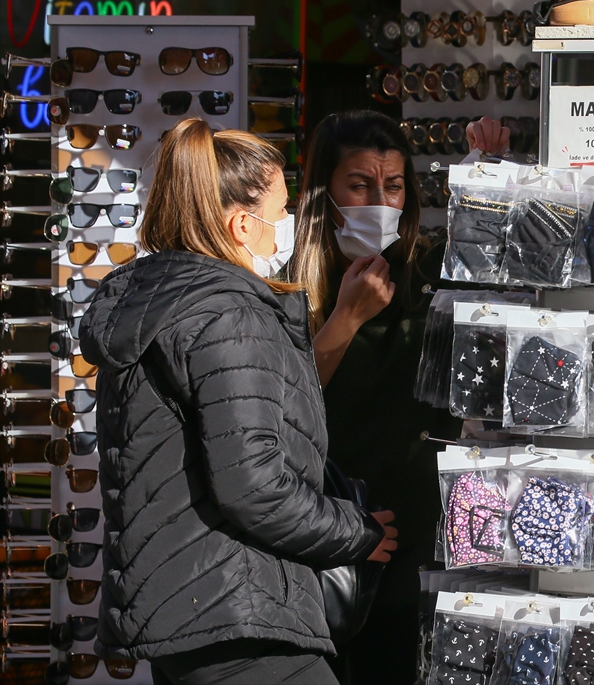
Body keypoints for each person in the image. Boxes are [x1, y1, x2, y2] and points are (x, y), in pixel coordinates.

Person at [78, 119, 398, 685]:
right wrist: (356, 532)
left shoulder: (161, 305)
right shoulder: (229, 314)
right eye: (278, 216)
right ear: (241, 225)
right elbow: (252, 484)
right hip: (240, 612)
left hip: (191, 607)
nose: (285, 234)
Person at [290, 110, 461, 683]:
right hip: (331, 529)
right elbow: (281, 408)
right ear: (324, 193)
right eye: (359, 185)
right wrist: (344, 318)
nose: (378, 203)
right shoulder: (289, 289)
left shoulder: (425, 273)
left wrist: (488, 172)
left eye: (392, 186)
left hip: (423, 529)